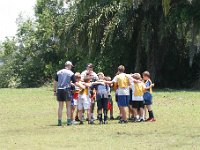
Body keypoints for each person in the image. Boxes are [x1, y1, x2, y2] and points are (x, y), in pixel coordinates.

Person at [53, 61, 84, 126]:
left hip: (59, 90)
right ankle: (69, 121)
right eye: (71, 66)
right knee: (68, 106)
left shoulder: (58, 72)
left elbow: (55, 82)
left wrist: (55, 91)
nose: (71, 68)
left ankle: (59, 121)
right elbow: (75, 83)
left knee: (60, 107)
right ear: (69, 66)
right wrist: (82, 86)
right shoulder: (70, 73)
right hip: (67, 90)